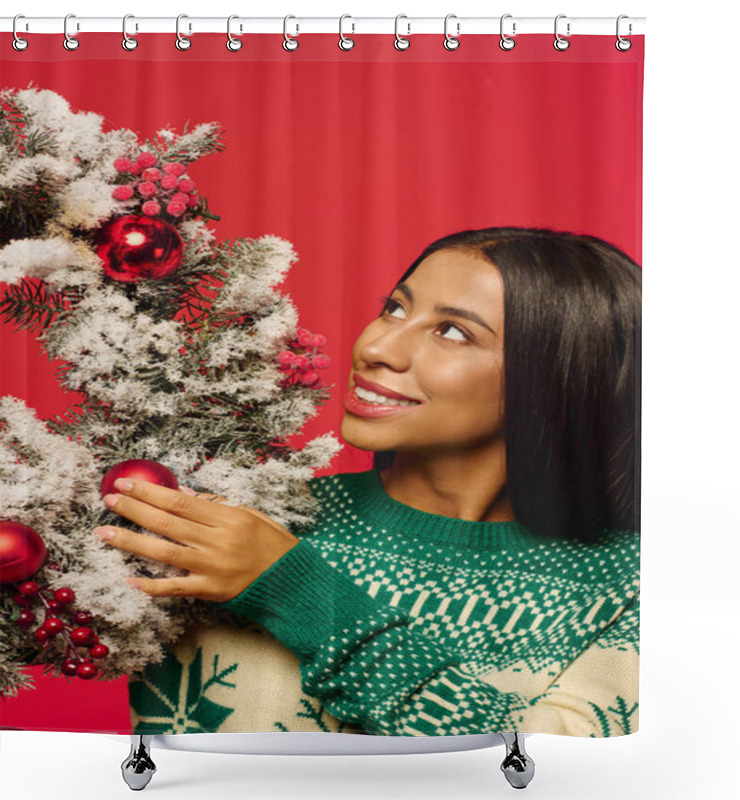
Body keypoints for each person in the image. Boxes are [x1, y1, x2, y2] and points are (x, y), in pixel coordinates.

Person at [101, 226, 641, 737]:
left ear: (562, 378)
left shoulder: (634, 583)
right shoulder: (243, 519)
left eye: (452, 332)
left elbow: (552, 773)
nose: (377, 348)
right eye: (395, 308)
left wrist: (296, 590)